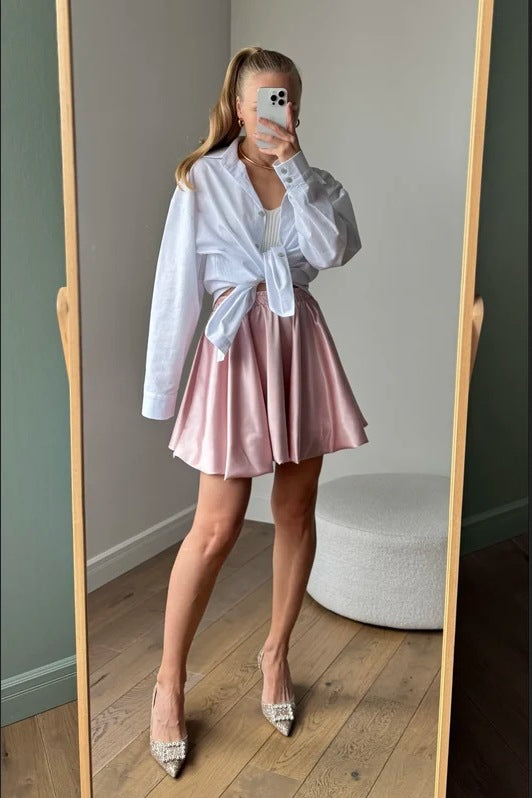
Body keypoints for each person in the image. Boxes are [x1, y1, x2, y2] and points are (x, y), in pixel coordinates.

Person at [143, 45, 369, 778]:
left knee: (296, 510)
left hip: (298, 346)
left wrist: (294, 167)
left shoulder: (318, 184)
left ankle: (276, 655)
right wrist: (162, 388)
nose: (281, 110)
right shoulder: (201, 181)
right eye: (268, 98)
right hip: (234, 350)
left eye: (289, 99)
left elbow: (332, 251)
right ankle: (169, 683)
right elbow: (177, 287)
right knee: (216, 528)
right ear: (238, 107)